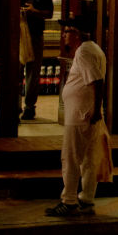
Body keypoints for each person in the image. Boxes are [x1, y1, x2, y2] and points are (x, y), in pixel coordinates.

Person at [45, 17, 107, 217]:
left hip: (81, 114)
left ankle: (69, 200)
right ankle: (86, 199)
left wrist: (96, 110)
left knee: (71, 157)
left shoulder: (84, 51)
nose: (64, 34)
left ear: (78, 34)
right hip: (87, 112)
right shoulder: (91, 49)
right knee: (88, 158)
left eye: (68, 31)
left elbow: (97, 82)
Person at [19, 0, 53, 120]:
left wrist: (34, 11)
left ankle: (30, 107)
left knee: (33, 73)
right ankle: (14, 105)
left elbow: (50, 13)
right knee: (16, 71)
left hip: (35, 36)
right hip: (16, 37)